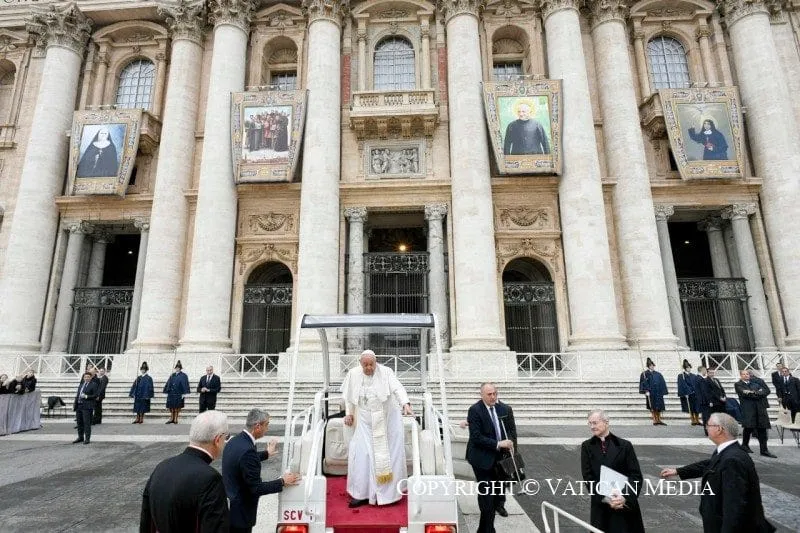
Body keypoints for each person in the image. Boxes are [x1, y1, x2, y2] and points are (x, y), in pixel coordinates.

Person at [660, 413, 776, 533]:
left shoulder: (732, 460)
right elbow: (710, 464)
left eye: (708, 425)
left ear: (719, 429)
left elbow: (734, 506)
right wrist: (678, 471)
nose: (706, 427)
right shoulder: (728, 452)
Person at [341, 349, 413, 508]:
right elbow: (349, 397)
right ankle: (361, 494)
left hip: (386, 420)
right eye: (365, 365)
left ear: (376, 362)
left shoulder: (386, 372)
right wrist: (349, 414)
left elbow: (397, 388)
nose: (368, 368)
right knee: (362, 456)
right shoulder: (353, 374)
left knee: (387, 457)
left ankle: (388, 496)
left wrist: (405, 404)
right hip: (364, 421)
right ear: (360, 364)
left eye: (371, 364)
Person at [140, 410, 231, 533]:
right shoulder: (210, 479)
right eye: (226, 437)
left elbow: (146, 522)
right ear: (218, 439)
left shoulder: (162, 466)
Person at [222, 409, 301, 533]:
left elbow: (242, 460)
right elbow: (256, 488)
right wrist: (282, 481)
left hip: (231, 507)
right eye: (267, 424)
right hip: (241, 513)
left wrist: (266, 454)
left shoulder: (236, 441)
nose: (267, 428)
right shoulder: (247, 450)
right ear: (257, 426)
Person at [581, 409, 645, 533]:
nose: (592, 427)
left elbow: (636, 476)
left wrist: (624, 497)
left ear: (606, 422)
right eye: (590, 423)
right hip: (602, 506)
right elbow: (588, 478)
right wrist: (608, 499)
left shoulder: (625, 445)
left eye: (595, 423)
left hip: (625, 505)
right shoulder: (587, 446)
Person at [466, 382, 516, 533]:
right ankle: (489, 530)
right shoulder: (475, 410)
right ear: (481, 395)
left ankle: (483, 529)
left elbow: (512, 431)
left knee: (494, 498)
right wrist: (498, 444)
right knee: (487, 497)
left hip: (500, 460)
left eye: (495, 393)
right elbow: (476, 437)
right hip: (481, 460)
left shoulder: (505, 409)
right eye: (489, 394)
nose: (493, 397)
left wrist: (512, 449)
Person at [734, 370, 777, 458]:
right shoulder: (738, 384)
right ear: (741, 375)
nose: (746, 375)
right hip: (749, 410)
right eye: (744, 374)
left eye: (747, 374)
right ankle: (745, 445)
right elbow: (745, 394)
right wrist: (758, 392)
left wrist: (753, 392)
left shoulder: (755, 383)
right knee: (748, 428)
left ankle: (764, 450)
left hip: (760, 409)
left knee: (762, 429)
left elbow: (766, 391)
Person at [639, 357, 668, 425]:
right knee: (652, 406)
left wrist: (663, 391)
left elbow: (662, 382)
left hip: (658, 392)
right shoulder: (644, 374)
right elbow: (643, 383)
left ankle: (659, 419)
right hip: (651, 393)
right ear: (648, 366)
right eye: (651, 366)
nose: (652, 367)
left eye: (653, 365)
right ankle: (654, 419)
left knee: (659, 407)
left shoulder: (658, 374)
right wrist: (646, 391)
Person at [72, 371, 99, 445]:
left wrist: (87, 396)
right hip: (79, 406)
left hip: (87, 407)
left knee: (86, 423)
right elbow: (77, 395)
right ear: (83, 378)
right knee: (79, 423)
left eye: (88, 377)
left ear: (91, 378)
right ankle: (80, 437)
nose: (86, 378)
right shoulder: (81, 385)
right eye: (85, 377)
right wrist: (75, 404)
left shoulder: (94, 385)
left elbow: (96, 395)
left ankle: (87, 438)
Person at [677, 359, 702, 426]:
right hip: (688, 394)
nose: (689, 369)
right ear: (685, 368)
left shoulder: (693, 376)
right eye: (687, 368)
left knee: (696, 407)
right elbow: (682, 385)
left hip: (695, 394)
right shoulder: (681, 376)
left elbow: (696, 384)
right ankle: (692, 419)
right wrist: (686, 393)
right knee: (690, 407)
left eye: (689, 367)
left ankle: (697, 420)